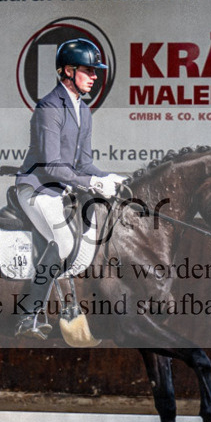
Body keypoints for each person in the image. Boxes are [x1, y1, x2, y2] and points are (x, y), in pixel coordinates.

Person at [14, 38, 125, 339]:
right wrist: (91, 183)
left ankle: (68, 308)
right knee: (63, 243)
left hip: (59, 188)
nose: (94, 77)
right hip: (36, 186)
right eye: (88, 71)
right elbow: (50, 165)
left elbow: (84, 163)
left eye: (95, 71)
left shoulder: (84, 111)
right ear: (67, 71)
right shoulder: (49, 107)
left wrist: (109, 178)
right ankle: (28, 316)